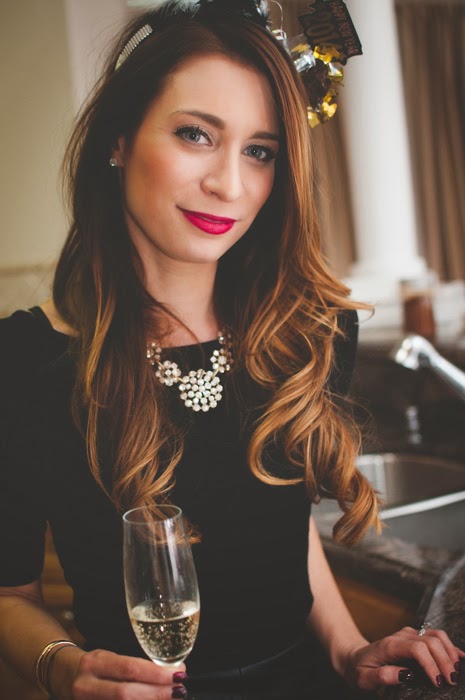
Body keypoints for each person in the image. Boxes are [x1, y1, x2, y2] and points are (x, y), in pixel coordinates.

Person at [0, 2, 463, 699]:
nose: (230, 184)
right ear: (117, 139)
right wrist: (65, 668)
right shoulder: (25, 362)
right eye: (195, 134)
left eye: (259, 151)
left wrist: (347, 650)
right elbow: (10, 594)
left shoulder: (307, 337)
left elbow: (284, 528)